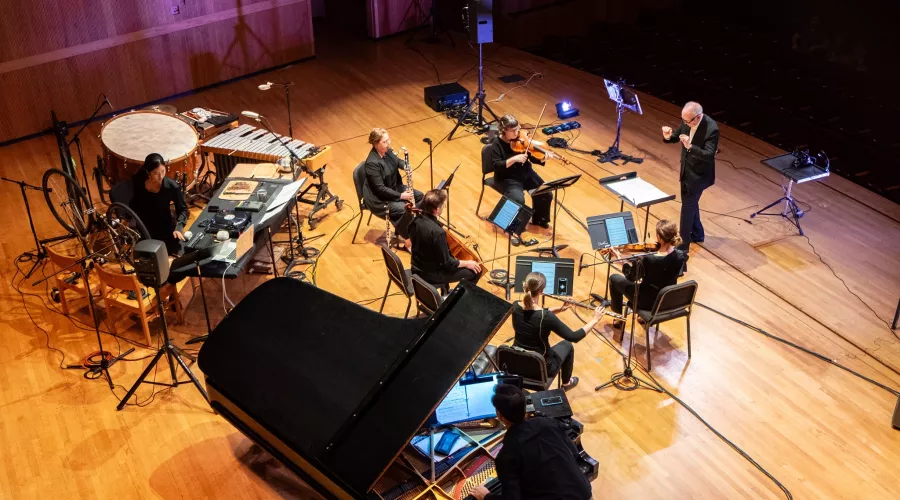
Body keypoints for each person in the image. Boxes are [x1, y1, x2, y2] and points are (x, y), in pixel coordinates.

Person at [470, 384, 592, 500]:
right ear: (524, 408)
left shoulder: (506, 456)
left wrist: (486, 497)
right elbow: (574, 454)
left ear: (500, 416)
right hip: (583, 492)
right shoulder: (549, 423)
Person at [512, 272, 605, 391]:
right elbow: (574, 337)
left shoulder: (515, 306)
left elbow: (533, 313)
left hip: (517, 363)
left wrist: (560, 309)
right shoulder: (546, 317)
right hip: (540, 368)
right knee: (567, 345)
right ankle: (566, 384)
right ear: (541, 291)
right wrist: (594, 319)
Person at [662, 101, 718, 257]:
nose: (685, 123)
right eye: (684, 120)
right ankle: (698, 234)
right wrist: (668, 137)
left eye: (687, 121)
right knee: (691, 204)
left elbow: (709, 154)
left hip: (699, 175)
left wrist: (690, 146)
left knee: (687, 208)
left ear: (698, 117)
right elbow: (677, 135)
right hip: (686, 170)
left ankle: (682, 246)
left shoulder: (712, 129)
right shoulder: (688, 118)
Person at [608, 220, 688, 327]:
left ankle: (619, 319)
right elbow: (665, 271)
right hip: (666, 300)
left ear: (659, 237)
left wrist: (621, 260)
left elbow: (631, 277)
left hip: (647, 302)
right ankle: (641, 318)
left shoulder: (649, 259)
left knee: (614, 278)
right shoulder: (680, 256)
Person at [487, 114, 552, 229]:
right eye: (513, 130)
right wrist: (513, 159)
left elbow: (531, 156)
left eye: (518, 129)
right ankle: (510, 228)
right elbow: (497, 165)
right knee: (518, 199)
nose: (517, 133)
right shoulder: (497, 143)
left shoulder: (521, 140)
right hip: (507, 178)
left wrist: (542, 158)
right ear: (504, 130)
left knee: (545, 192)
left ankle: (540, 219)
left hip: (526, 174)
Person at [408, 189, 482, 286]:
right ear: (437, 209)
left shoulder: (416, 220)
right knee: (475, 272)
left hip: (416, 268)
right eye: (443, 205)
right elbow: (448, 264)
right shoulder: (438, 233)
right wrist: (467, 263)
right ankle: (458, 298)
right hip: (430, 275)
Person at [361, 128, 423, 241]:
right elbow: (380, 189)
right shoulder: (372, 163)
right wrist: (401, 196)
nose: (388, 143)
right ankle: (408, 240)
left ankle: (416, 229)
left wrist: (405, 165)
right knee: (406, 210)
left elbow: (397, 161)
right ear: (375, 144)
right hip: (380, 199)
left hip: (395, 188)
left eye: (388, 140)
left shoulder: (387, 151)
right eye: (384, 142)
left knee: (420, 196)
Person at [129, 153, 188, 255]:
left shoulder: (172, 187)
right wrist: (129, 218)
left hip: (164, 227)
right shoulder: (138, 181)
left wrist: (179, 227)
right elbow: (135, 201)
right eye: (156, 173)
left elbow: (183, 209)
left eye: (163, 171)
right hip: (144, 226)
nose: (161, 176)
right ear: (148, 172)